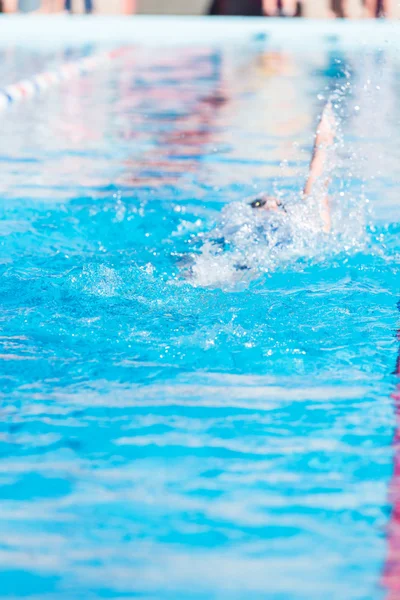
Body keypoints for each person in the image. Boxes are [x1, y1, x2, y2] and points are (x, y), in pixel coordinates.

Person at [248, 102, 335, 233]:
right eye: (260, 204)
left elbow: (317, 183)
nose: (271, 206)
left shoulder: (307, 227)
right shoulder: (240, 232)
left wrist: (322, 143)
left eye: (280, 205)